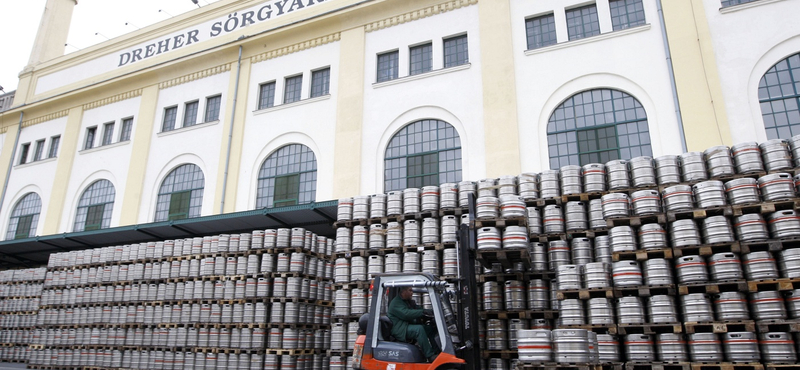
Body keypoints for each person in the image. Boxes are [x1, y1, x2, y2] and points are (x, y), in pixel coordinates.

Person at [387, 286, 439, 362]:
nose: (412, 292)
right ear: (403, 292)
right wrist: (422, 312)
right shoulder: (396, 303)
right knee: (419, 329)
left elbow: (417, 309)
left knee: (430, 328)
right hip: (400, 329)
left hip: (406, 326)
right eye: (410, 290)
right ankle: (430, 355)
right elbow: (406, 314)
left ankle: (437, 352)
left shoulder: (408, 301)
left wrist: (430, 311)